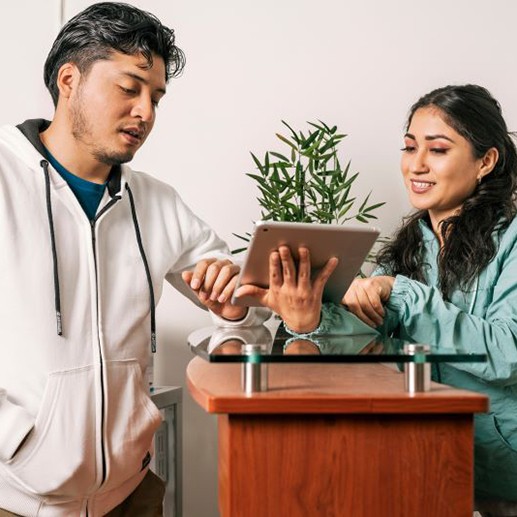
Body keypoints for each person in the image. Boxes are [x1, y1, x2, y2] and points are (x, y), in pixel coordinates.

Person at [0, 3, 268, 516]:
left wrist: (232, 311)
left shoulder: (157, 202)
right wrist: (17, 441)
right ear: (69, 79)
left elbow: (247, 314)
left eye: (156, 97)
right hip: (14, 499)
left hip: (132, 497)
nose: (146, 112)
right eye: (129, 88)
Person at [236, 84, 517, 515]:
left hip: (505, 482)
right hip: (430, 470)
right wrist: (310, 320)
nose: (416, 165)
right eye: (409, 147)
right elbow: (371, 352)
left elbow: (507, 354)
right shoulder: (405, 250)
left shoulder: (513, 241)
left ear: (486, 161)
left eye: (437, 149)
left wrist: (400, 292)